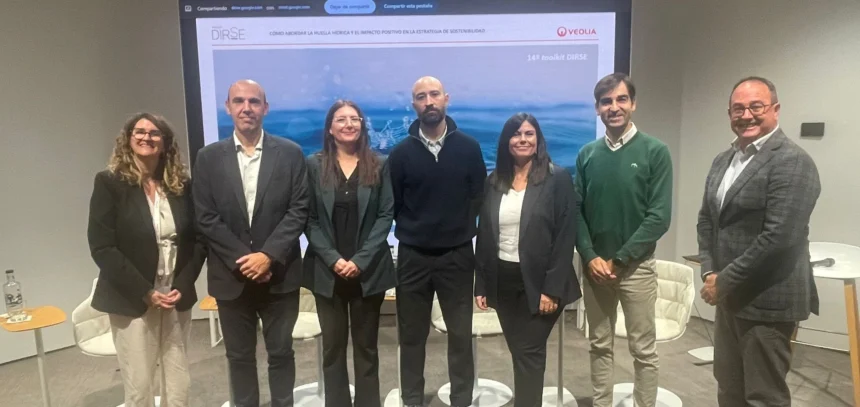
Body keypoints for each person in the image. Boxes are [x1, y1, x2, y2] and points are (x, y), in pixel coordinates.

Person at [697, 77, 820, 407]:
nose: (746, 115)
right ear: (729, 113)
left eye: (756, 106)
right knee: (729, 385)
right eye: (738, 108)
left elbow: (779, 237)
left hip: (768, 301)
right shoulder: (724, 160)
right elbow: (708, 219)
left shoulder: (792, 161)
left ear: (775, 110)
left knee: (763, 396)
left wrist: (724, 281)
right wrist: (709, 271)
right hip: (728, 298)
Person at [193, 79, 309, 407]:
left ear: (265, 108)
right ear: (228, 107)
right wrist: (248, 260)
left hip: (280, 275)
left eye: (254, 102)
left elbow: (298, 210)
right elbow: (205, 217)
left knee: (281, 354)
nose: (247, 108)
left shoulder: (290, 153)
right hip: (231, 277)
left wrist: (268, 256)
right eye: (239, 101)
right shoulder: (208, 158)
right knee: (239, 358)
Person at [87, 112, 207, 407]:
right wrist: (146, 291)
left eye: (154, 133)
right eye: (139, 132)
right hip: (133, 297)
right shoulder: (109, 183)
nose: (146, 137)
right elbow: (102, 246)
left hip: (175, 294)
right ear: (128, 139)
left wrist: (182, 283)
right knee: (139, 385)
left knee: (178, 379)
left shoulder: (181, 185)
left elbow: (199, 241)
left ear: (165, 143)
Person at [388, 76, 487, 407]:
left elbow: (478, 197)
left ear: (446, 99)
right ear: (413, 105)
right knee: (412, 337)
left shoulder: (469, 148)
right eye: (420, 97)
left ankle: (462, 399)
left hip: (457, 256)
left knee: (460, 336)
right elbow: (394, 204)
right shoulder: (400, 154)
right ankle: (412, 399)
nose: (428, 101)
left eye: (433, 95)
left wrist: (457, 228)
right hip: (413, 256)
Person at [575, 73, 673, 407]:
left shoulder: (655, 151)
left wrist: (618, 260)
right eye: (606, 101)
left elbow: (659, 217)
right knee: (599, 345)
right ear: (597, 108)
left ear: (633, 104)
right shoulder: (587, 154)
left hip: (636, 270)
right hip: (594, 271)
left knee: (643, 350)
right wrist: (589, 257)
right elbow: (576, 212)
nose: (613, 107)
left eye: (620, 100)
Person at [474, 113, 581, 407]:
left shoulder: (556, 178)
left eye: (529, 134)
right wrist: (480, 283)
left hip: (542, 283)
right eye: (516, 134)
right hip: (503, 281)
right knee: (521, 353)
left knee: (528, 353)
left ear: (538, 140)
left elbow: (565, 236)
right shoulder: (494, 181)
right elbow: (485, 235)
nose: (522, 139)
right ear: (506, 142)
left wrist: (553, 288)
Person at [302, 100, 397, 407]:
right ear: (330, 128)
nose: (348, 124)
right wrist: (333, 259)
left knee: (367, 347)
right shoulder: (313, 165)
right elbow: (310, 219)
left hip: (368, 272)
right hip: (326, 271)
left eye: (354, 119)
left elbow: (386, 215)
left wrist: (359, 260)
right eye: (341, 119)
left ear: (361, 125)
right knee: (332, 348)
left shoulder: (379, 164)